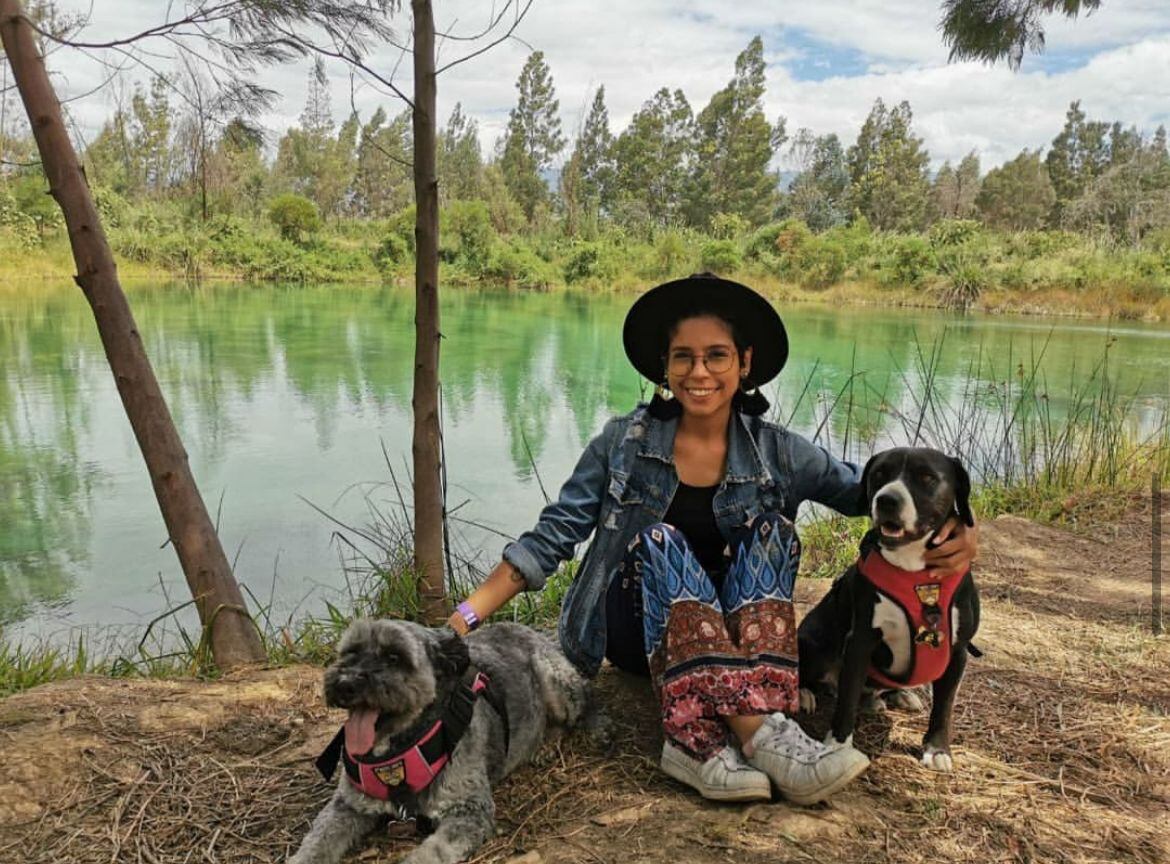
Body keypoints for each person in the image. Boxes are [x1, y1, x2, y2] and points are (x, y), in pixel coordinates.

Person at [445, 274, 978, 805]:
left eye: (716, 356)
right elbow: (549, 540)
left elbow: (870, 492)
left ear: (743, 363)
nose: (699, 372)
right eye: (683, 357)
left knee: (774, 533)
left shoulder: (780, 452)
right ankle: (726, 739)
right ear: (665, 367)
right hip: (642, 630)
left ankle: (745, 726)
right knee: (658, 541)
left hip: (738, 635)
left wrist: (961, 531)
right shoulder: (623, 444)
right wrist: (460, 621)